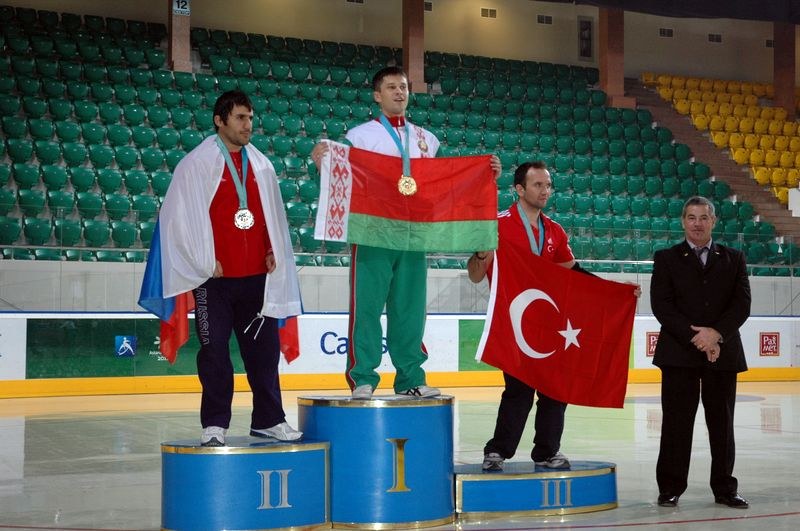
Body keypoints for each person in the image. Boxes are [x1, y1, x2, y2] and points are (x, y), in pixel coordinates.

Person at [312, 66, 501, 399]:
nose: (399, 92)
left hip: (414, 237)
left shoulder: (428, 140)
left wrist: (484, 176)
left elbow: (445, 185)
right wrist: (321, 165)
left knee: (410, 311)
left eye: (403, 87)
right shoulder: (359, 136)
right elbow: (343, 179)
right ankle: (363, 378)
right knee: (367, 309)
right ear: (377, 95)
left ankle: (411, 377)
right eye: (391, 87)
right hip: (372, 234)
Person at [158, 90, 303, 446]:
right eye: (240, 118)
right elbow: (177, 218)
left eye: (250, 118)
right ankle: (214, 425)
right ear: (219, 121)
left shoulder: (262, 165)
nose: (247, 125)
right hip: (213, 282)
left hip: (257, 281)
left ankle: (269, 420)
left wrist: (271, 249)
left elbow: (272, 216)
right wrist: (202, 260)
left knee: (264, 355)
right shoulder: (196, 164)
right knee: (214, 354)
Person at [469, 161, 582, 471]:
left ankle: (547, 451)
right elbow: (475, 275)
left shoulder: (555, 231)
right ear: (519, 189)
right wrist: (481, 253)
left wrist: (615, 290)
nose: (545, 191)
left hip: (551, 325)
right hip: (513, 324)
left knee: (555, 391)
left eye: (548, 185)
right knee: (518, 390)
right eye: (538, 185)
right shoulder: (496, 225)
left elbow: (573, 274)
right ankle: (497, 451)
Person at [651, 196, 751, 508]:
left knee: (722, 425)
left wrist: (716, 335)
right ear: (683, 221)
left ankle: (725, 488)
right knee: (676, 424)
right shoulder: (666, 258)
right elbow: (662, 305)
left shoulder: (734, 258)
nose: (697, 224)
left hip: (723, 353)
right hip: (679, 354)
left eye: (704, 218)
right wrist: (699, 338)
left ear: (713, 221)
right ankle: (670, 487)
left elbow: (742, 304)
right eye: (692, 217)